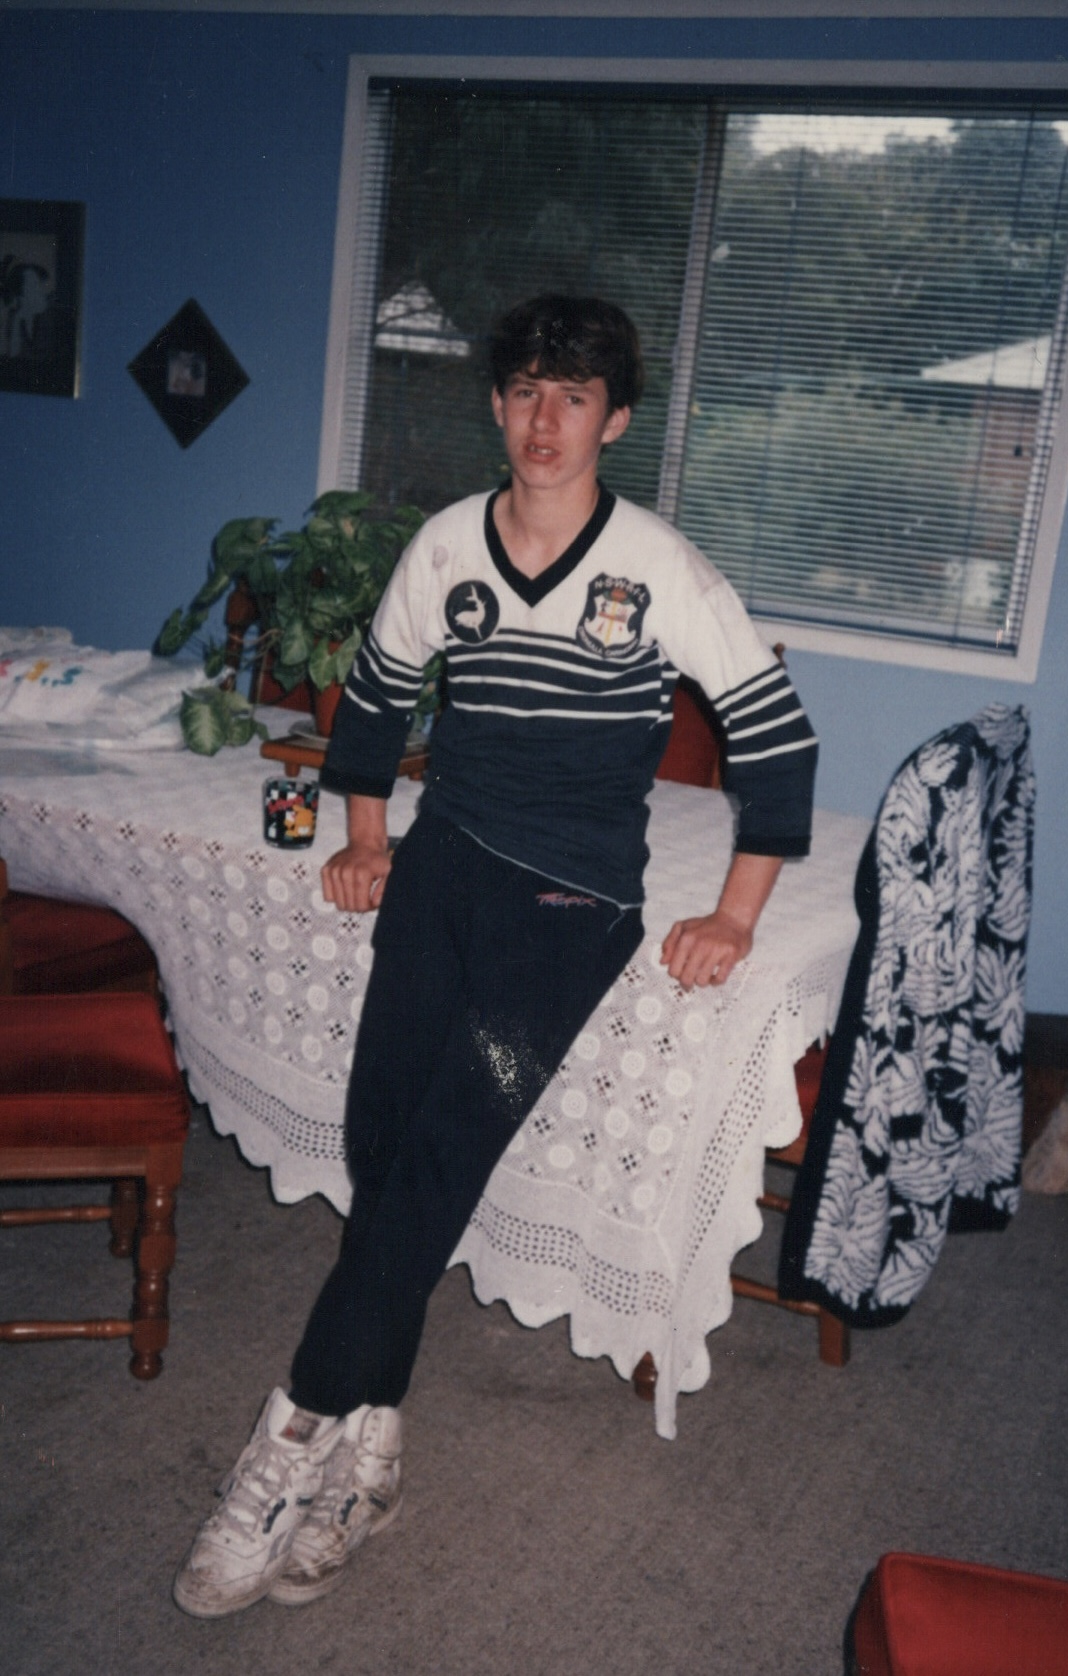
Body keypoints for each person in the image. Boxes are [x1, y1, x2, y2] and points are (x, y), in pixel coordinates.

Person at [172, 295, 818, 1619]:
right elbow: (378, 689)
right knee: (382, 1148)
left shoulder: (658, 568)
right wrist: (365, 832)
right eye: (524, 390)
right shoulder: (446, 546)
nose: (543, 418)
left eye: (572, 396)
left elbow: (778, 743)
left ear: (613, 420)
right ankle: (380, 1450)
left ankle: (286, 1440)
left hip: (570, 912)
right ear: (496, 405)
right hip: (445, 875)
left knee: (448, 1151)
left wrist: (738, 915)